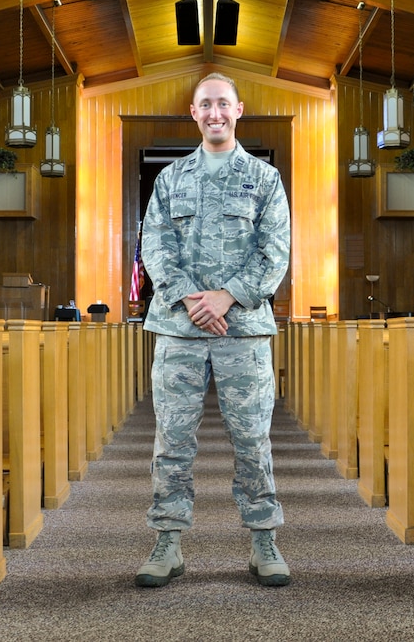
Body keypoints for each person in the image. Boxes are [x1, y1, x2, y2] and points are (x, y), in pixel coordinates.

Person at [135, 72, 291, 588]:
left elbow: (275, 252)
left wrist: (227, 296)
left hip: (242, 330)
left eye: (223, 104)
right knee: (172, 439)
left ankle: (264, 539)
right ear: (194, 112)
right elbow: (155, 246)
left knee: (252, 439)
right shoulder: (170, 178)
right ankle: (168, 541)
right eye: (206, 105)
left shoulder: (264, 179)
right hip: (179, 330)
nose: (216, 113)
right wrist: (189, 298)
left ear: (239, 109)